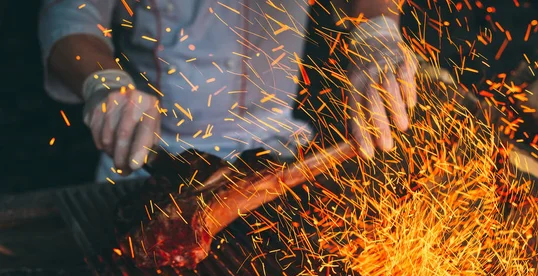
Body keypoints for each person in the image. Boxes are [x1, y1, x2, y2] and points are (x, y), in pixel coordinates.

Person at [39, 0, 417, 181]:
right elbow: (70, 19)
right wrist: (103, 82)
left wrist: (376, 29)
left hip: (281, 159)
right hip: (156, 159)